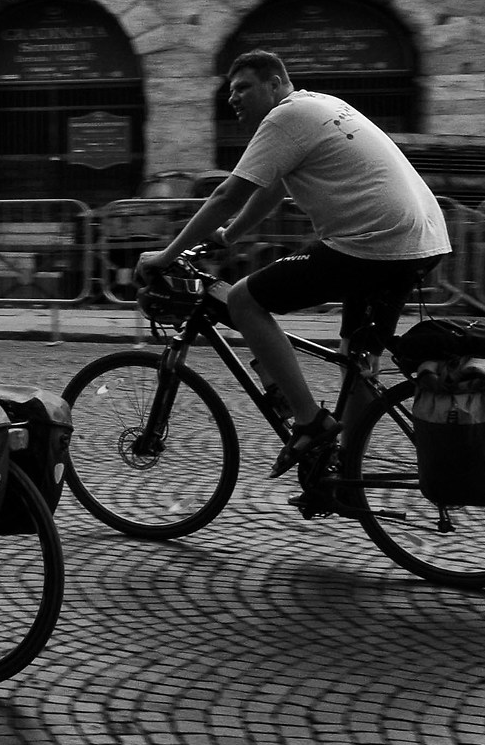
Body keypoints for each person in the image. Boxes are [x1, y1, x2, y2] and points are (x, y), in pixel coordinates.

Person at [138, 49, 450, 488]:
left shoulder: (286, 117)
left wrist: (165, 256)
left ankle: (309, 422)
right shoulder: (318, 106)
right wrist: (228, 237)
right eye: (229, 92)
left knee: (245, 300)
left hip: (373, 243)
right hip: (421, 240)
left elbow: (226, 194)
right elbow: (268, 191)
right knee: (357, 362)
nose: (233, 99)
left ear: (276, 82)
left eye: (243, 87)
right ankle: (345, 476)